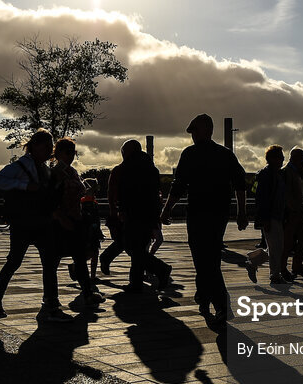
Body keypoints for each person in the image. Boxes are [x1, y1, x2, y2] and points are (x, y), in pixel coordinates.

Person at [160, 114, 249, 323]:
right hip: (219, 214)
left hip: (198, 213)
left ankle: (221, 305)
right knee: (209, 257)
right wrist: (242, 212)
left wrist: (166, 210)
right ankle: (203, 294)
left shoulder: (190, 154)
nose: (192, 136)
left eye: (194, 131)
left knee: (205, 260)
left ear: (205, 131)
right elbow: (240, 183)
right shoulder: (225, 155)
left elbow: (179, 185)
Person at [0, 129, 71, 322]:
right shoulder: (21, 166)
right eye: (45, 146)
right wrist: (24, 185)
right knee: (14, 262)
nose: (49, 150)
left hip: (42, 222)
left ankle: (51, 304)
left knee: (49, 263)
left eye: (50, 146)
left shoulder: (45, 168)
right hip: (23, 223)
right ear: (34, 145)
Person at [47, 138, 106, 307]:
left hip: (75, 219)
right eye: (68, 152)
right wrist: (59, 216)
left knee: (79, 257)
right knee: (54, 261)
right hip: (61, 221)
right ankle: (51, 298)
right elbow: (51, 199)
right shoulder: (56, 173)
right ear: (58, 153)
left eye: (74, 152)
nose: (72, 156)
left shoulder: (72, 171)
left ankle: (87, 293)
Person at [113, 139, 172, 292]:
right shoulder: (151, 169)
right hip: (149, 214)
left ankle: (160, 269)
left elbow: (125, 192)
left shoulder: (127, 168)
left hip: (134, 213)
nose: (123, 155)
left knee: (132, 246)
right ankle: (136, 282)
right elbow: (156, 193)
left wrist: (121, 210)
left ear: (129, 152)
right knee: (139, 248)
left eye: (124, 152)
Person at [245, 145, 291, 286]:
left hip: (277, 215)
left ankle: (253, 262)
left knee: (276, 247)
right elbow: (262, 198)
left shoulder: (276, 174)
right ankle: (274, 276)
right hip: (271, 216)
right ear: (272, 158)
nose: (282, 160)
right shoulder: (266, 175)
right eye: (280, 157)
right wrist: (265, 219)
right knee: (276, 247)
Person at [280, 148, 303, 279]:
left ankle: (297, 265)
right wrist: (293, 209)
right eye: (302, 158)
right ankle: (283, 269)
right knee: (287, 243)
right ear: (295, 158)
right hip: (290, 214)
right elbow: (286, 194)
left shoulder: (295, 172)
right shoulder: (286, 172)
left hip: (297, 213)